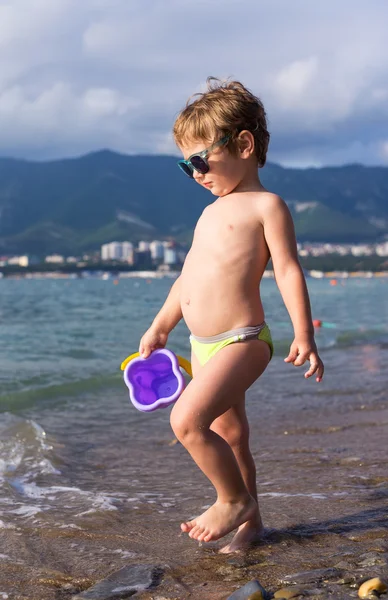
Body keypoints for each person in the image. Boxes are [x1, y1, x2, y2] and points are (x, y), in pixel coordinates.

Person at [138, 77, 324, 553]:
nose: (196, 173)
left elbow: (286, 270)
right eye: (186, 166)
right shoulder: (209, 214)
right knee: (232, 435)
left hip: (242, 341)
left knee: (186, 423)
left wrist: (304, 332)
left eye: (201, 160)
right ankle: (251, 525)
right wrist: (162, 325)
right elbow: (186, 281)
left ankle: (232, 499)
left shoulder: (267, 206)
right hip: (204, 347)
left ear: (243, 144)